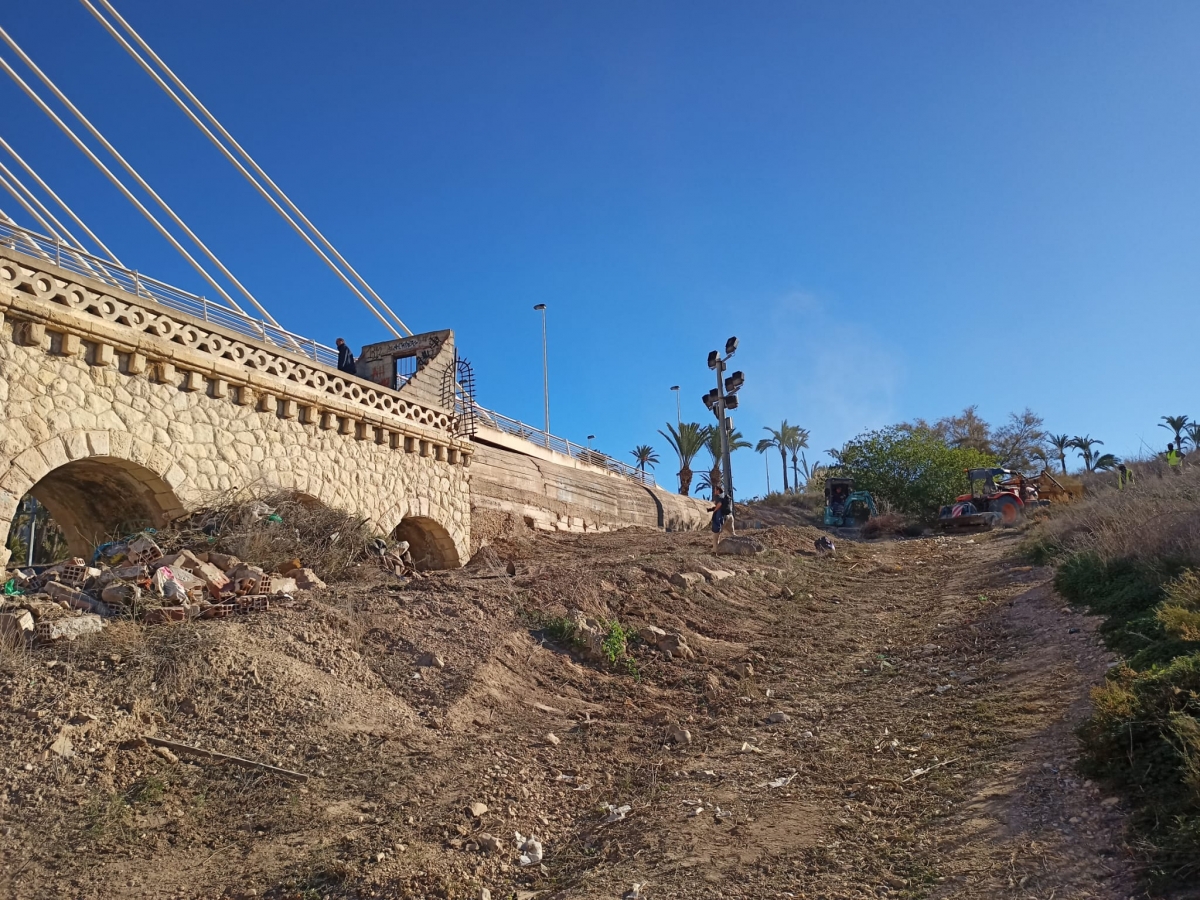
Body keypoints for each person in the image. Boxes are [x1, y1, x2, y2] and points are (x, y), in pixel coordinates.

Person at [708, 486, 734, 552]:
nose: (714, 491)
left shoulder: (718, 497)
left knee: (716, 535)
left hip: (723, 518)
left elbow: (719, 504)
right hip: (730, 516)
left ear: (718, 491)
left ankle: (715, 551)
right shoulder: (723, 497)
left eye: (715, 490)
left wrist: (715, 511)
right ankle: (740, 542)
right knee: (732, 533)